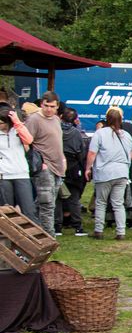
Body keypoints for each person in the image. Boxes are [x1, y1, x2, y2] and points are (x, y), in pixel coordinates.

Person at [86, 107, 132, 240]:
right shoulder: (126, 135)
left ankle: (99, 230)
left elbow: (92, 153)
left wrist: (88, 168)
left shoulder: (100, 133)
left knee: (101, 202)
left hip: (104, 173)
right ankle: (121, 231)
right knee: (118, 203)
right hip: (122, 173)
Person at [24, 91, 65, 236]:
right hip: (44, 166)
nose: (48, 109)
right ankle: (49, 236)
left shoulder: (55, 119)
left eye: (52, 106)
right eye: (46, 105)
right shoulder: (34, 119)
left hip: (58, 166)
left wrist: (63, 160)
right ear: (41, 104)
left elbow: (58, 142)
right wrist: (37, 162)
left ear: (57, 107)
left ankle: (30, 228)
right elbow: (25, 141)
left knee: (44, 202)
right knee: (47, 204)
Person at [0, 103, 39, 223]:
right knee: (7, 211)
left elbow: (29, 140)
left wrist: (17, 121)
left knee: (29, 210)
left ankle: (35, 240)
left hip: (22, 174)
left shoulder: (17, 130)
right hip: (3, 176)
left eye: (2, 122)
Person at [56, 107, 88, 236]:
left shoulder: (56, 130)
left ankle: (57, 226)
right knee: (74, 198)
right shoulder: (76, 133)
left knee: (57, 197)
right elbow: (81, 151)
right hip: (73, 167)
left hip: (58, 164)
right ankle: (77, 226)